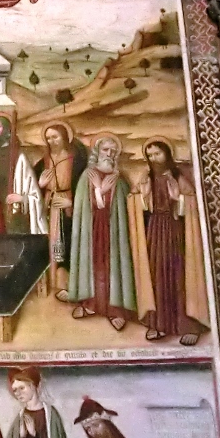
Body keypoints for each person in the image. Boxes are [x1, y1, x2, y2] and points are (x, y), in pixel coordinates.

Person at [130, 139, 209, 346]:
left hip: (175, 231)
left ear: (167, 154)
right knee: (156, 274)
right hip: (154, 230)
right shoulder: (146, 178)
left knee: (179, 274)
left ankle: (189, 325)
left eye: (157, 154)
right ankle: (158, 324)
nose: (154, 158)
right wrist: (143, 198)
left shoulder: (178, 178)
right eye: (150, 155)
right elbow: (136, 203)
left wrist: (178, 198)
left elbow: (192, 202)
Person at [68, 135, 137, 331]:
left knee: (112, 265)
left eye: (113, 151)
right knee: (93, 264)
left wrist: (100, 190)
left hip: (113, 231)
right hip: (91, 229)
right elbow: (82, 206)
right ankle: (91, 303)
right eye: (106, 150)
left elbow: (122, 208)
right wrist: (98, 191)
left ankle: (115, 309)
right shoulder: (87, 176)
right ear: (97, 152)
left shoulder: (120, 180)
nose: (109, 154)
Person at [27, 122, 88, 298]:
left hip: (69, 208)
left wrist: (72, 202)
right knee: (50, 245)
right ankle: (52, 284)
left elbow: (85, 187)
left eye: (55, 137)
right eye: (48, 138)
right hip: (48, 207)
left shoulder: (77, 161)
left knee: (69, 243)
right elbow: (31, 187)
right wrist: (40, 185)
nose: (51, 141)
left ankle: (67, 285)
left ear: (65, 137)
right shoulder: (44, 162)